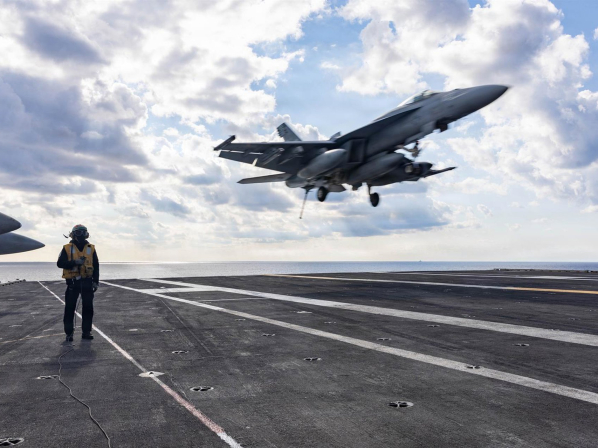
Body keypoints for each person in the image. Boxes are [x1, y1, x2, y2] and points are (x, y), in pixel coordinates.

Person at [56, 224, 99, 342]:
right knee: (69, 309)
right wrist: (75, 262)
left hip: (87, 282)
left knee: (88, 309)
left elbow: (96, 265)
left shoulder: (91, 248)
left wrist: (96, 281)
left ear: (86, 234)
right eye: (79, 232)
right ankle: (69, 333)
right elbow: (60, 263)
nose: (81, 235)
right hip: (72, 283)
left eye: (83, 232)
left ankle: (86, 332)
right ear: (73, 234)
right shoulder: (66, 248)